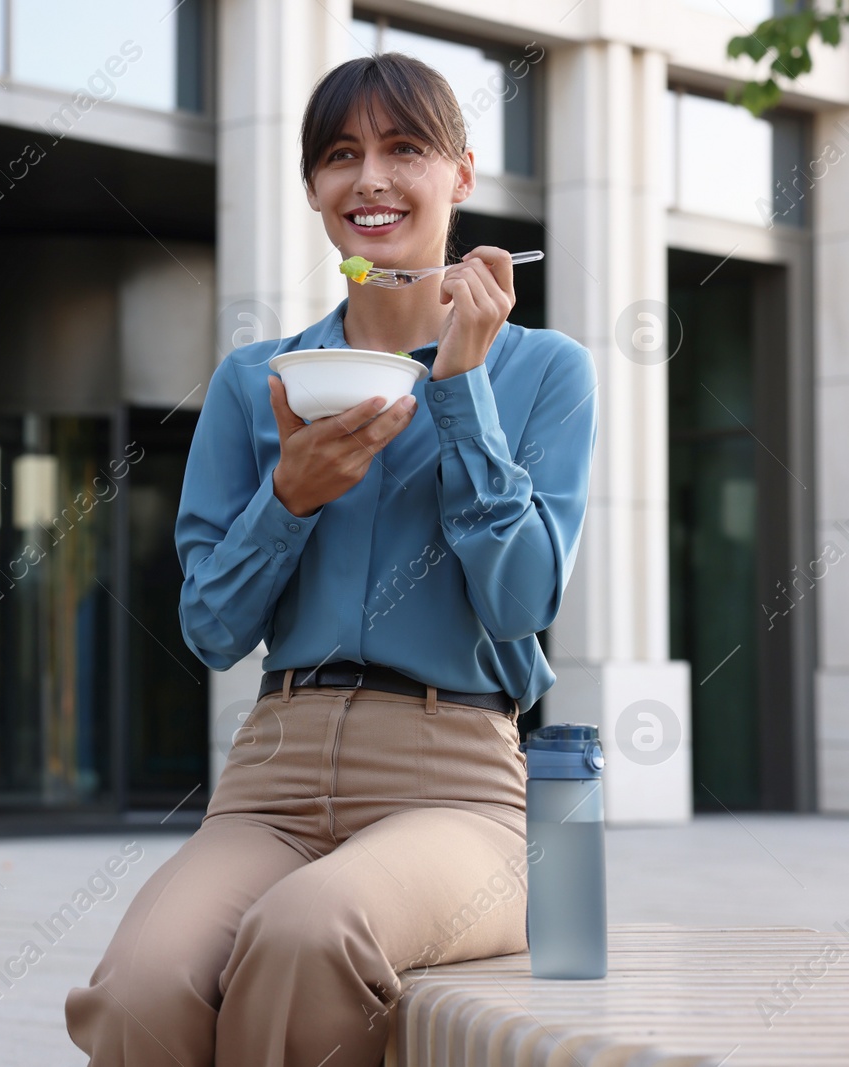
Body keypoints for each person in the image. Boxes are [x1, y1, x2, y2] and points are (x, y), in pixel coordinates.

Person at [64, 51, 599, 1067]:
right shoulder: (253, 383)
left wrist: (462, 389)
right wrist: (287, 501)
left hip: (453, 782)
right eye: (340, 155)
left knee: (306, 933)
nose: (371, 179)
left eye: (405, 149)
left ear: (462, 175)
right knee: (139, 987)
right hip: (270, 772)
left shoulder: (544, 372)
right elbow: (213, 629)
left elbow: (523, 595)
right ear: (313, 188)